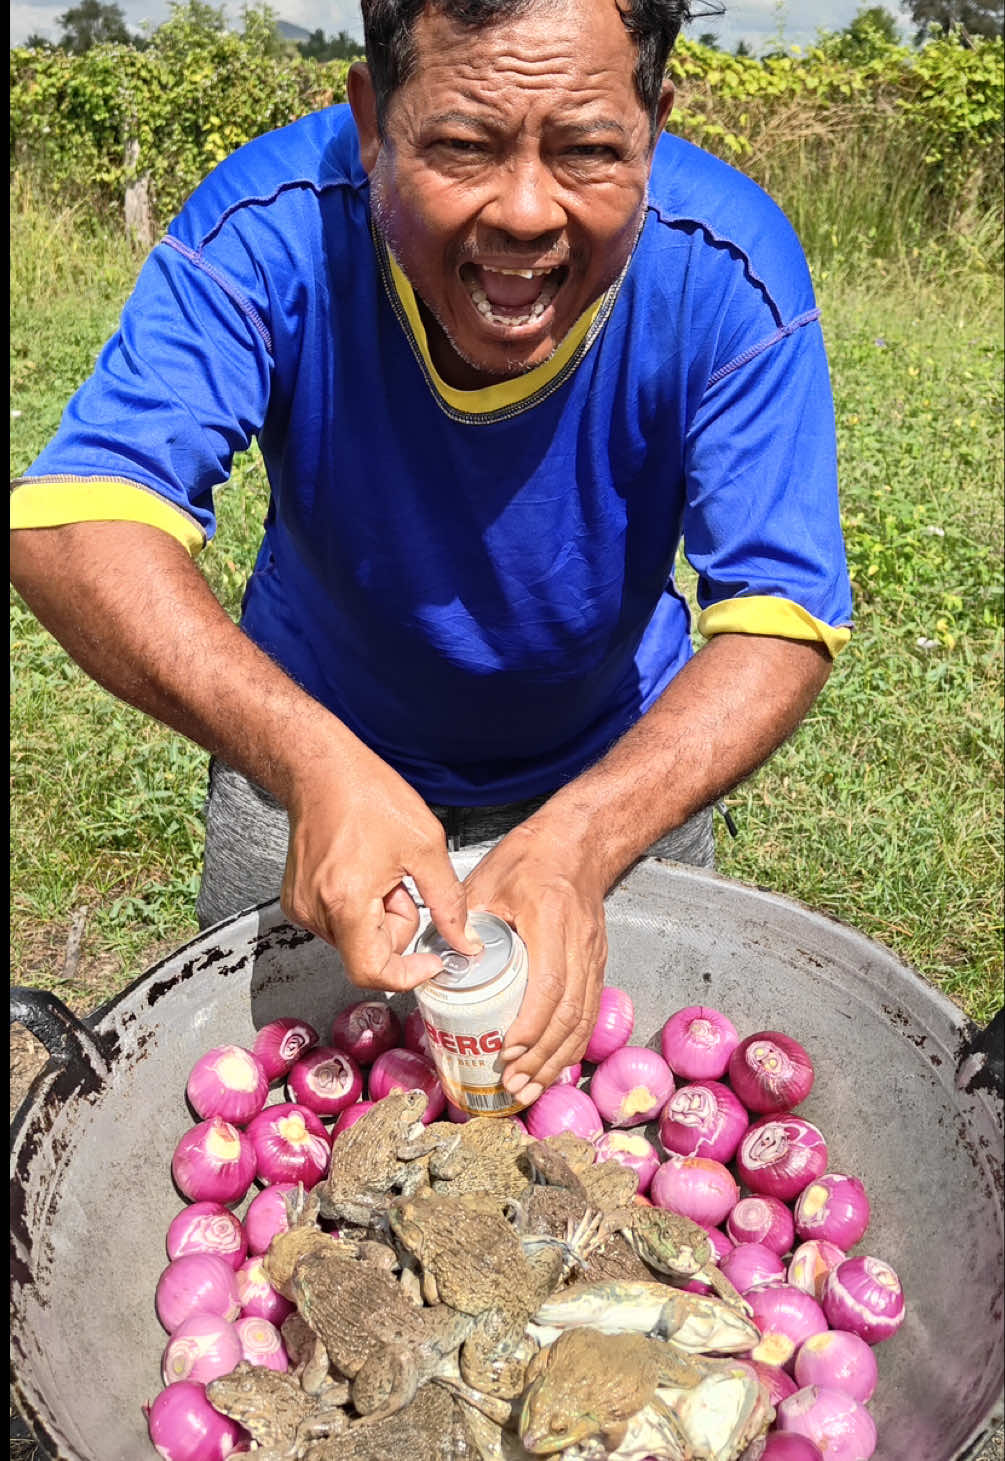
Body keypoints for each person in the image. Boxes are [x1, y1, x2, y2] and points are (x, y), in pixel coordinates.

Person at [9, 0, 852, 1109]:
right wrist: (312, 766)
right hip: (315, 765)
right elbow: (76, 521)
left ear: (655, 120)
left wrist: (586, 839)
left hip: (611, 770)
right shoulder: (272, 227)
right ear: (371, 120)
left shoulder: (728, 269)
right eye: (462, 145)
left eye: (592, 149)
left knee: (598, 1123)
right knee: (299, 1108)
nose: (526, 211)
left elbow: (781, 612)